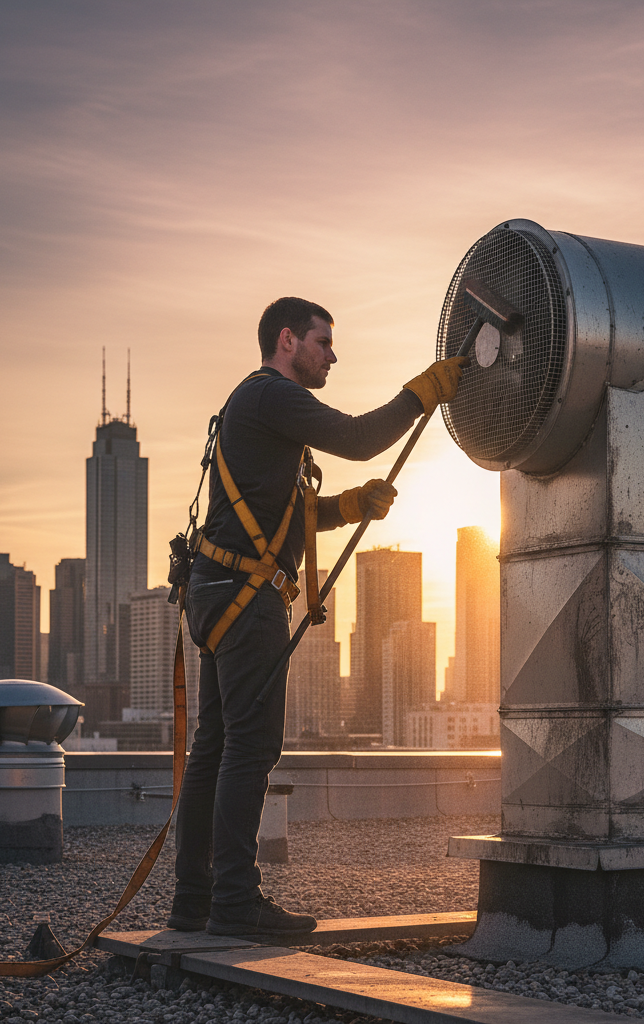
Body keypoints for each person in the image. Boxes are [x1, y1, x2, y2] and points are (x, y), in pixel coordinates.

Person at [168, 296, 466, 940]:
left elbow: (283, 515)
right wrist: (422, 392)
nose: (333, 354)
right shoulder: (272, 398)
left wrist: (352, 506)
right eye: (323, 342)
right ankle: (234, 905)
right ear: (287, 342)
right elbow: (360, 438)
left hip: (222, 591)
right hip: (246, 603)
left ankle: (194, 901)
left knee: (214, 750)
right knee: (248, 749)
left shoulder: (251, 407)